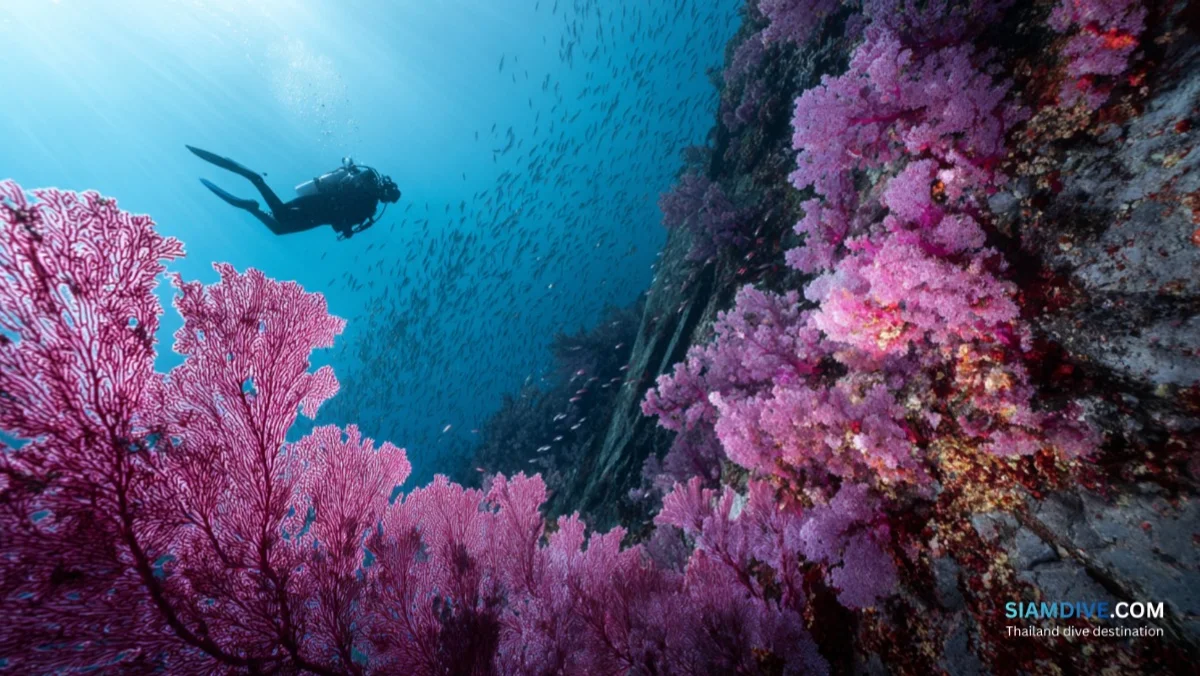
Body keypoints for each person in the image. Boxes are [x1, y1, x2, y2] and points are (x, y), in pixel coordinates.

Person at [186, 145, 401, 239]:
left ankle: (250, 208)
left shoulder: (371, 208)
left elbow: (343, 225)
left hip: (321, 218)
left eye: (388, 198)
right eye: (389, 194)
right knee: (279, 214)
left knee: (279, 230)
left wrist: (347, 228)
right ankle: (254, 177)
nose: (385, 197)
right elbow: (347, 178)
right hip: (321, 203)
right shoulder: (368, 179)